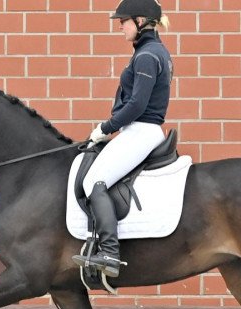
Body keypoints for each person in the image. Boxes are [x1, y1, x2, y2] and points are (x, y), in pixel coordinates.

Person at [72, 0, 173, 278]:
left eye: (123, 21)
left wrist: (105, 127)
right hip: (141, 130)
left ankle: (109, 253)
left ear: (140, 21)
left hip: (141, 129)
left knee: (94, 181)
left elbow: (136, 105)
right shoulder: (153, 52)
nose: (120, 26)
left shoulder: (146, 56)